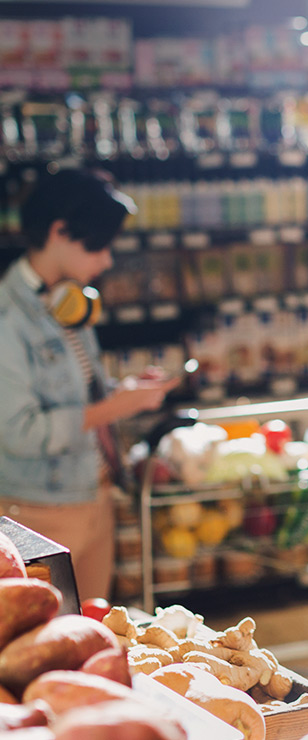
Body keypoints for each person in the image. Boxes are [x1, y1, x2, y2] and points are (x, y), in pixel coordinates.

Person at [0, 169, 179, 602]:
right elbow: (18, 431)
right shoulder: (9, 316)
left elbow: (76, 392)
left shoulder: (68, 298)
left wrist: (122, 392)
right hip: (40, 510)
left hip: (95, 494)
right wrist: (114, 408)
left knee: (94, 625)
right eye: (97, 245)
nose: (106, 260)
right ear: (59, 232)